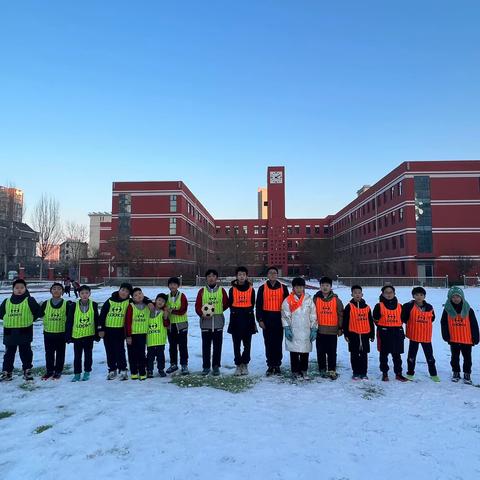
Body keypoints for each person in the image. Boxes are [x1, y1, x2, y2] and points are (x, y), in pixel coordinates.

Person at [0, 279, 41, 381]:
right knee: (9, 353)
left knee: (25, 352)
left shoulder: (30, 300)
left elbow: (38, 312)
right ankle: (7, 372)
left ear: (25, 289)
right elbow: (1, 314)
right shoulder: (6, 301)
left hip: (24, 331)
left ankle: (27, 370)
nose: (19, 290)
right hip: (10, 332)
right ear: (13, 289)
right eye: (17, 288)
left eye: (22, 288)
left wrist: (31, 319)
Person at [441, 286, 479, 385]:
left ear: (462, 297)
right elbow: (443, 323)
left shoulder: (468, 309)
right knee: (454, 357)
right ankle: (456, 372)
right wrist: (446, 335)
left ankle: (467, 374)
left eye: (458, 296)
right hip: (454, 338)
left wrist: (476, 337)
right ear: (450, 298)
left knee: (467, 358)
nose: (456, 299)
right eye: (453, 297)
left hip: (467, 338)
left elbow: (474, 324)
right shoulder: (447, 310)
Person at [255, 267, 289, 375]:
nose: (273, 275)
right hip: (267, 318)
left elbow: (287, 306)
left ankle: (277, 364)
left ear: (277, 275)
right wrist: (260, 320)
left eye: (275, 273)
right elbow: (258, 305)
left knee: (278, 343)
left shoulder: (283, 288)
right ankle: (270, 364)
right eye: (271, 273)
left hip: (279, 319)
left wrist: (286, 320)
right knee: (268, 342)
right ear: (268, 275)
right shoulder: (262, 288)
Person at [281, 277, 317, 379]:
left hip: (306, 330)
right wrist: (287, 328)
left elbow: (313, 315)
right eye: (297, 287)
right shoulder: (288, 300)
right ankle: (295, 371)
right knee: (294, 352)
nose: (299, 289)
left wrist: (314, 328)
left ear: (304, 287)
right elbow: (285, 315)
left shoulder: (309, 300)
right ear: (293, 288)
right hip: (294, 330)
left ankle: (304, 370)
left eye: (301, 287)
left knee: (305, 352)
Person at [195, 269, 229, 376]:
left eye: (213, 276)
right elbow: (197, 306)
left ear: (216, 278)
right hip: (205, 323)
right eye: (209, 276)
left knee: (217, 346)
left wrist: (217, 311)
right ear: (206, 279)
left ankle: (216, 366)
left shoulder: (222, 290)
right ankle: (206, 366)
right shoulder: (201, 291)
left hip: (218, 322)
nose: (211, 278)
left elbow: (226, 304)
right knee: (206, 346)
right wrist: (203, 314)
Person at [401, 286, 439, 382]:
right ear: (413, 296)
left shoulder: (429, 307)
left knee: (430, 356)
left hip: (426, 336)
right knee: (411, 356)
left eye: (421, 295)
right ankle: (410, 372)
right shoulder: (408, 306)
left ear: (424, 296)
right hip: (414, 335)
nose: (419, 297)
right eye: (416, 295)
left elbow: (433, 318)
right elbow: (403, 318)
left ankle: (433, 374)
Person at [372, 285, 408, 382]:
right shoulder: (379, 306)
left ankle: (399, 373)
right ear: (383, 294)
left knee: (397, 355)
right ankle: (385, 373)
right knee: (383, 355)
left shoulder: (400, 306)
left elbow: (404, 319)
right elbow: (375, 319)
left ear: (394, 293)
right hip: (384, 333)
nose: (389, 294)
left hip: (397, 333)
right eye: (386, 292)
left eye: (390, 292)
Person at [66, 285, 101, 382]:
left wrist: (97, 334)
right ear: (79, 294)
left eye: (86, 293)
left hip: (89, 334)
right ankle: (77, 374)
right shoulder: (73, 305)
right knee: (77, 356)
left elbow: (97, 320)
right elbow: (69, 321)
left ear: (89, 293)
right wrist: (68, 335)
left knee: (88, 355)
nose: (84, 295)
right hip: (77, 335)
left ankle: (87, 372)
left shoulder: (94, 304)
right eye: (82, 293)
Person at [98, 282, 133, 380]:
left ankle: (123, 369)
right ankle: (112, 369)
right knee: (109, 350)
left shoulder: (129, 302)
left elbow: (142, 299)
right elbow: (102, 315)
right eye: (122, 290)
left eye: (126, 291)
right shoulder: (110, 301)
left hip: (120, 331)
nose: (123, 292)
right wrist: (101, 328)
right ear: (119, 290)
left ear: (129, 294)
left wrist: (148, 301)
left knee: (120, 350)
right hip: (108, 331)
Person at [313, 276, 344, 380]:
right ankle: (322, 369)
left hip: (332, 331)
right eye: (323, 285)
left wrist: (340, 328)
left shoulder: (336, 300)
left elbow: (340, 314)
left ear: (331, 287)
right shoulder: (315, 299)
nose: (325, 287)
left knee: (331, 352)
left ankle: (332, 369)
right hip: (320, 330)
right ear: (320, 287)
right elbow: (312, 314)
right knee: (320, 351)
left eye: (327, 285)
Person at [228, 267, 257, 376]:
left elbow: (252, 303)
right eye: (239, 274)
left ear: (246, 276)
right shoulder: (232, 289)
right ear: (236, 276)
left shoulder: (251, 289)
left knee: (247, 344)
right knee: (236, 344)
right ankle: (238, 364)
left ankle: (245, 363)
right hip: (236, 318)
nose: (241, 276)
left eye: (243, 274)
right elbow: (230, 303)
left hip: (248, 317)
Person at [343, 285, 375, 380]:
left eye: (359, 293)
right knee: (354, 354)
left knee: (364, 355)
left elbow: (370, 321)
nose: (357, 294)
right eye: (355, 293)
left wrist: (372, 334)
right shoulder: (349, 306)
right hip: (353, 335)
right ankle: (356, 372)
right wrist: (346, 334)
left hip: (365, 334)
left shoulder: (367, 307)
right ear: (352, 294)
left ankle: (364, 372)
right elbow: (346, 321)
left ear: (362, 294)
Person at [40, 282, 71, 380]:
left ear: (62, 291)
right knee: (49, 353)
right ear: (51, 291)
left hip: (61, 333)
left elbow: (70, 319)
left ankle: (58, 371)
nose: (56, 290)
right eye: (54, 289)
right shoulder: (45, 303)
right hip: (48, 333)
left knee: (60, 353)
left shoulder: (67, 304)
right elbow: (38, 314)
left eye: (59, 289)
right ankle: (49, 371)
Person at [165, 277, 189, 375]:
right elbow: (162, 307)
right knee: (172, 346)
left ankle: (184, 364)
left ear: (178, 286)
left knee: (183, 346)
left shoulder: (182, 296)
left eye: (174, 284)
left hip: (181, 325)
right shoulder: (166, 297)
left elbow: (183, 309)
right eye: (170, 284)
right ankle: (173, 364)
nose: (172, 286)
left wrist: (172, 311)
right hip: (171, 326)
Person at [125, 288, 150, 380]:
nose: (138, 296)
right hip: (132, 334)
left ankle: (142, 371)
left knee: (142, 354)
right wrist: (128, 336)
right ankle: (134, 372)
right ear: (132, 298)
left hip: (143, 334)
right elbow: (127, 322)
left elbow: (160, 305)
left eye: (140, 293)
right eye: (135, 295)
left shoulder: (148, 305)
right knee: (132, 354)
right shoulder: (131, 306)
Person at [147, 293, 170, 378]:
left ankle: (161, 369)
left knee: (161, 356)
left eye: (163, 301)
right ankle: (149, 370)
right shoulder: (148, 310)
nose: (160, 302)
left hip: (160, 339)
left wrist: (165, 317)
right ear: (155, 300)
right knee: (150, 356)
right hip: (150, 339)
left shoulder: (163, 312)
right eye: (159, 300)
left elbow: (166, 324)